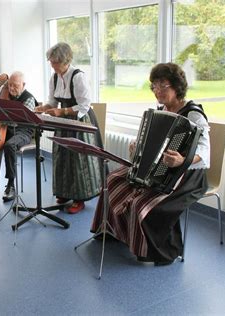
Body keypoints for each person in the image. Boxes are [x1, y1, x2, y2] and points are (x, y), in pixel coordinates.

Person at [91, 62, 210, 266]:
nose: (157, 91)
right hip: (159, 169)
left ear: (176, 86)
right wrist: (137, 147)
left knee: (142, 202)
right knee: (113, 180)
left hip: (186, 174)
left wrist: (182, 160)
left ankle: (158, 251)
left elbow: (205, 151)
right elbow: (150, 141)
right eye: (154, 86)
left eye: (163, 85)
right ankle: (114, 231)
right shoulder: (160, 110)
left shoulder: (193, 113)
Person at [35, 42, 104, 214]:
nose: (52, 65)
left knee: (77, 159)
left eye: (55, 62)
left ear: (65, 61)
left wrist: (63, 111)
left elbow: (85, 105)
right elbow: (52, 101)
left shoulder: (78, 76)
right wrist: (44, 108)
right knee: (62, 155)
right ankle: (64, 193)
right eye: (51, 62)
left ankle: (80, 198)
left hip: (80, 120)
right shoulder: (55, 77)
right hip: (63, 120)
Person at [1, 71, 38, 202]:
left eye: (15, 85)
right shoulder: (6, 96)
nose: (11, 88)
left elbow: (17, 120)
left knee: (9, 145)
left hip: (24, 132)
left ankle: (11, 185)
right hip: (8, 130)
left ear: (23, 84)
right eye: (9, 85)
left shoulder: (29, 99)